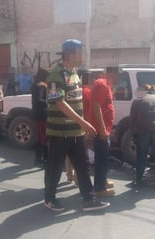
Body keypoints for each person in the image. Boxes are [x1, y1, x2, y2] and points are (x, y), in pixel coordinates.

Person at [43, 39, 110, 212]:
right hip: (59, 132)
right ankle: (49, 199)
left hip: (76, 131)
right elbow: (58, 101)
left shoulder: (74, 73)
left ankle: (89, 199)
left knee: (83, 165)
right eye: (81, 52)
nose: (83, 55)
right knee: (55, 167)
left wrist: (82, 125)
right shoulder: (55, 74)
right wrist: (84, 122)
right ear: (71, 54)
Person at [129, 84, 155, 189]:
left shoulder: (138, 101)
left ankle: (139, 182)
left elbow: (132, 119)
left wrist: (133, 134)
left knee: (141, 157)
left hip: (142, 130)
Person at [88, 69, 116, 196]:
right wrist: (102, 129)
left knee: (102, 157)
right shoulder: (103, 86)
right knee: (102, 159)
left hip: (103, 128)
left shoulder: (103, 84)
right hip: (101, 130)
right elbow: (96, 106)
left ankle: (102, 182)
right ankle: (99, 189)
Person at [31, 68, 49, 168]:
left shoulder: (35, 85)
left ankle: (38, 159)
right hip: (42, 115)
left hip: (36, 115)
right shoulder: (40, 86)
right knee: (43, 138)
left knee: (39, 137)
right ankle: (45, 159)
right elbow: (39, 101)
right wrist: (49, 103)